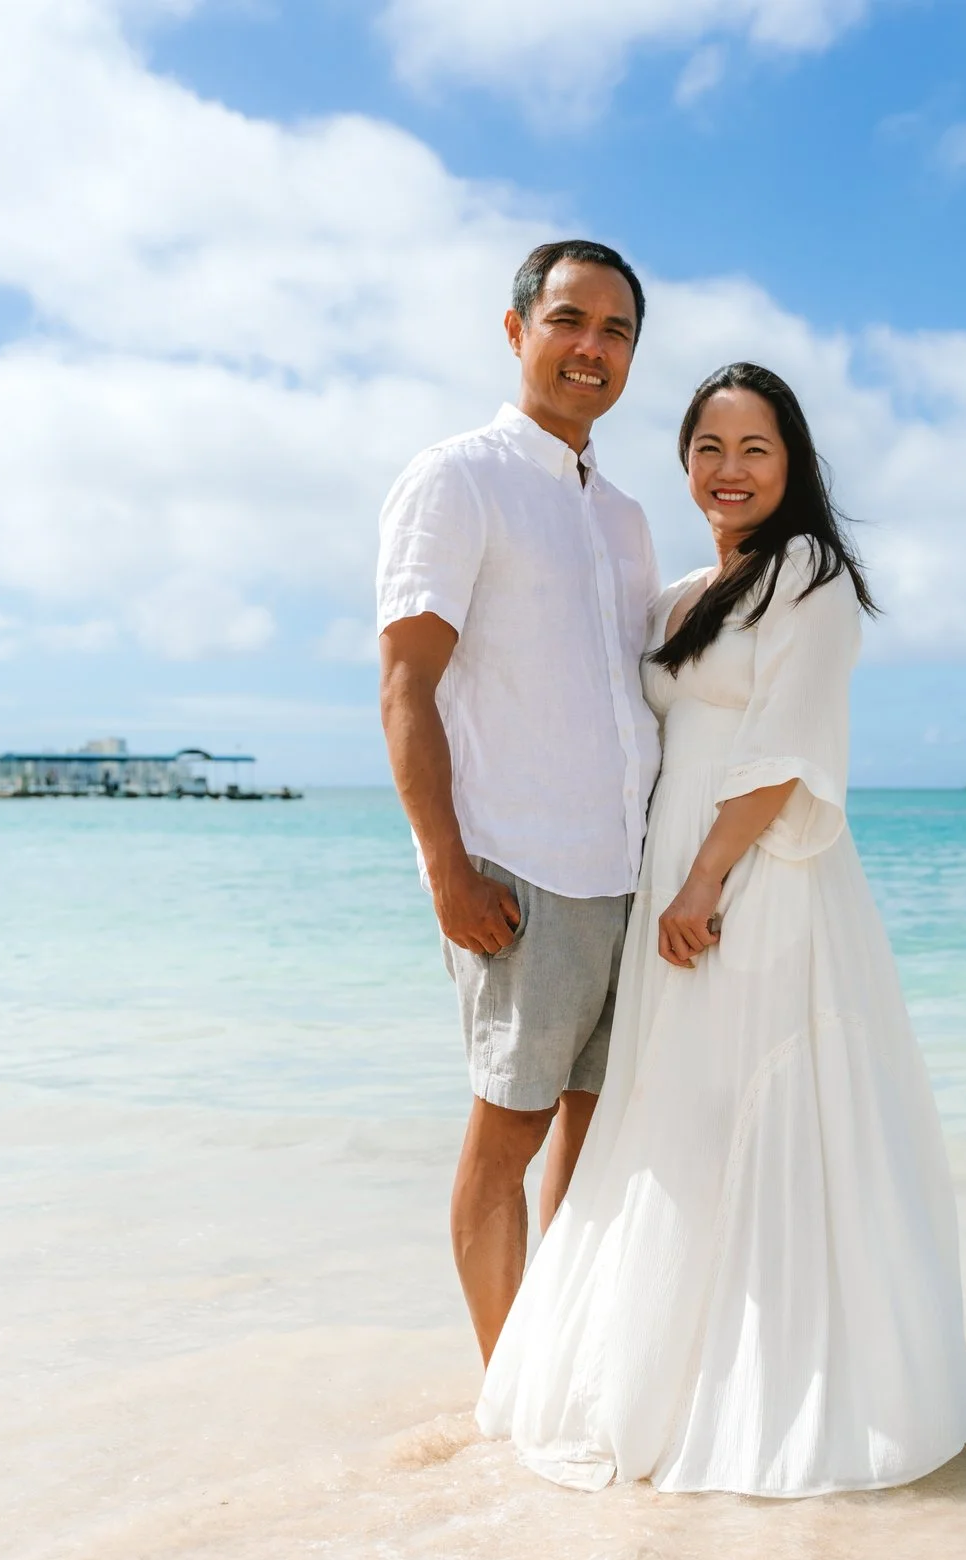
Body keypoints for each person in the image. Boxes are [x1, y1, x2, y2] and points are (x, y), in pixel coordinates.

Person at [477, 363, 966, 1497]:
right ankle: (676, 1368)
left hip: (757, 875)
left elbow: (787, 747)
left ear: (792, 462)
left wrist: (705, 879)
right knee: (680, 1118)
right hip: (675, 874)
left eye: (755, 447)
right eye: (708, 447)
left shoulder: (808, 576)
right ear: (683, 462)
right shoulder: (685, 594)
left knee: (750, 1108)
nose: (730, 469)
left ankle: (781, 1388)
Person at [377, 240, 662, 1366]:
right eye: (568, 320)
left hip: (626, 872)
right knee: (508, 1138)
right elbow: (407, 683)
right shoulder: (458, 477)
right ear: (516, 331)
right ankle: (508, 1393)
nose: (592, 347)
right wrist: (446, 866)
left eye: (616, 330)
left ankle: (567, 1372)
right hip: (520, 871)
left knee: (592, 1144)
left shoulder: (625, 517)